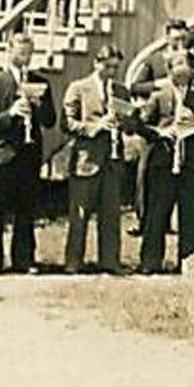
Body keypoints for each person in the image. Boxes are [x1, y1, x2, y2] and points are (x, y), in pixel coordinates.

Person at [0, 32, 55, 274]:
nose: (26, 58)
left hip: (29, 154)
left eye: (29, 54)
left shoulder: (39, 82)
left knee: (26, 209)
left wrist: (39, 105)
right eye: (21, 53)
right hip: (3, 154)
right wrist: (12, 112)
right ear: (10, 52)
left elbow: (50, 121)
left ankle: (24, 259)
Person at [137, 50, 194, 274]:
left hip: (189, 164)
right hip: (164, 162)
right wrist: (162, 132)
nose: (183, 72)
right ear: (170, 72)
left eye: (186, 67)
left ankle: (189, 262)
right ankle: (151, 261)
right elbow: (140, 126)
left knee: (189, 214)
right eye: (178, 66)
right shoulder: (159, 97)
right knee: (158, 212)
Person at [62, 45, 133, 274]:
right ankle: (74, 261)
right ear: (96, 63)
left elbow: (132, 125)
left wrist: (125, 121)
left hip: (112, 163)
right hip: (86, 161)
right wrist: (95, 127)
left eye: (115, 67)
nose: (112, 71)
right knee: (80, 214)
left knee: (111, 215)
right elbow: (67, 123)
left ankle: (110, 261)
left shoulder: (121, 91)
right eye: (107, 66)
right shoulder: (78, 88)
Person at [131, 17, 194, 98]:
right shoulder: (155, 60)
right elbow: (135, 87)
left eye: (184, 39)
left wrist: (191, 73)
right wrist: (158, 84)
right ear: (168, 39)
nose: (181, 43)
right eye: (176, 39)